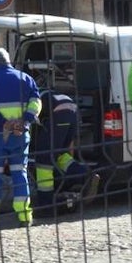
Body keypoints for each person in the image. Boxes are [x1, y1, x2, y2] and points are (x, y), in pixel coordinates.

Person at [0, 47, 42, 228]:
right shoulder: (25, 78)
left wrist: (2, 122)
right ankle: (24, 217)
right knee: (20, 172)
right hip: (20, 134)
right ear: (8, 61)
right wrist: (24, 121)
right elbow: (36, 103)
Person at [30, 84, 93, 215]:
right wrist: (70, 152)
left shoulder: (32, 99)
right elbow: (69, 143)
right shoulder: (51, 94)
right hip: (74, 112)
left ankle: (46, 204)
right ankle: (84, 175)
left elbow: (29, 128)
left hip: (59, 114)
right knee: (60, 154)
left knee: (43, 159)